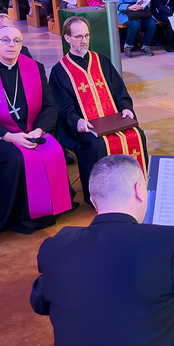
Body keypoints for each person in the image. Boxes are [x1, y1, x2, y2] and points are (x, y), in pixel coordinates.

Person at [31, 154, 174, 346]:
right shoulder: (168, 240)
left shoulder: (55, 245)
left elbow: (39, 304)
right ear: (139, 190)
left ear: (93, 201)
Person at [0, 26, 71, 237]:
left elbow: (49, 106)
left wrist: (39, 130)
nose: (11, 45)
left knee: (53, 150)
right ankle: (20, 216)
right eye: (5, 40)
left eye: (17, 41)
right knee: (18, 158)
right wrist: (10, 136)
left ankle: (49, 210)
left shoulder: (35, 68)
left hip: (32, 131)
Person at [50, 17, 148, 205]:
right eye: (79, 36)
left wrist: (126, 108)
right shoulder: (60, 71)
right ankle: (101, 198)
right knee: (97, 145)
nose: (84, 41)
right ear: (67, 38)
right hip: (85, 126)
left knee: (137, 134)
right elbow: (62, 106)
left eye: (87, 35)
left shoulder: (101, 60)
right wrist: (77, 121)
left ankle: (135, 189)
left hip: (113, 120)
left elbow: (119, 90)